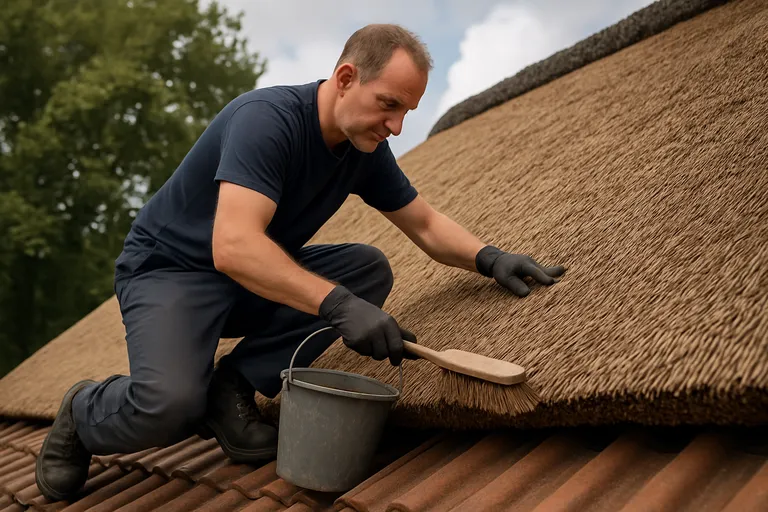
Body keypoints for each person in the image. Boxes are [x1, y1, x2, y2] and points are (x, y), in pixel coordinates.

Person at [35, 23, 565, 501]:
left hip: (245, 279)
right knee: (170, 407)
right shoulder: (266, 121)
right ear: (346, 78)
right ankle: (83, 411)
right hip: (171, 272)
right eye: (389, 104)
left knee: (366, 269)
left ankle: (232, 386)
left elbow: (424, 223)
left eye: (406, 111)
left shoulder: (363, 149)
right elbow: (233, 246)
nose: (397, 126)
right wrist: (338, 306)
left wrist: (489, 257)